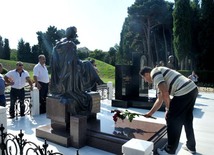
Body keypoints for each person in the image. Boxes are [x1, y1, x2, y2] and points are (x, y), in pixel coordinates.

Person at [139, 66, 198, 155]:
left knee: (172, 119)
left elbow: (165, 93)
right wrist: (150, 113)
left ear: (147, 74)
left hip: (183, 91)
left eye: (144, 78)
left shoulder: (154, 72)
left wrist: (168, 110)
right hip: (192, 89)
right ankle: (191, 146)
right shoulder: (158, 79)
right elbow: (160, 99)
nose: (145, 81)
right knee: (187, 119)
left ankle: (169, 150)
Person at [50, 26, 104, 116]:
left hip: (62, 69)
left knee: (86, 63)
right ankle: (97, 81)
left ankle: (97, 80)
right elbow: (72, 60)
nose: (76, 35)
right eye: (75, 33)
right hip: (69, 69)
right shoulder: (70, 44)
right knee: (87, 64)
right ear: (73, 34)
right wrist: (79, 63)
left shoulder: (60, 42)